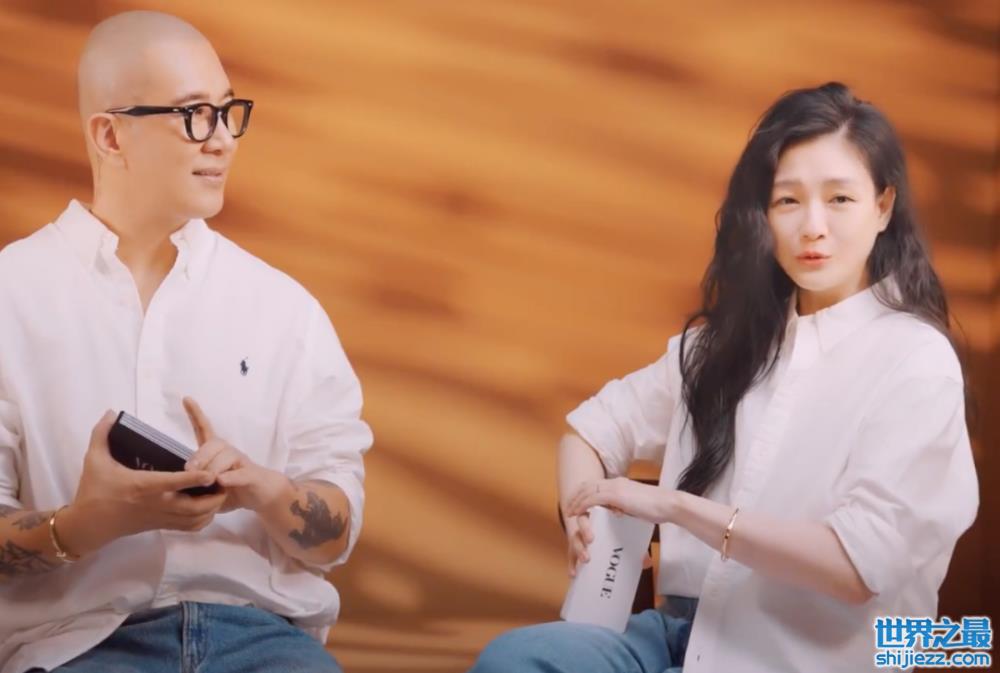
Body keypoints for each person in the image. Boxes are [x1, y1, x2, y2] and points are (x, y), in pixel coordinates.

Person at [470, 82, 979, 673]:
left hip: (812, 654)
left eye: (840, 199)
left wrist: (676, 507)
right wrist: (583, 513)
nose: (812, 227)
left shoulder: (915, 360)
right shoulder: (719, 348)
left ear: (883, 207)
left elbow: (855, 568)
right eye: (788, 201)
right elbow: (590, 431)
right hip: (679, 635)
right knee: (515, 660)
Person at [0, 10, 371, 673]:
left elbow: (334, 536)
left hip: (263, 641)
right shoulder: (13, 295)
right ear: (110, 135)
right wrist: (86, 523)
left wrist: (262, 489)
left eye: (229, 112)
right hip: (79, 646)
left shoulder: (285, 309)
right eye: (196, 115)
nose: (223, 139)